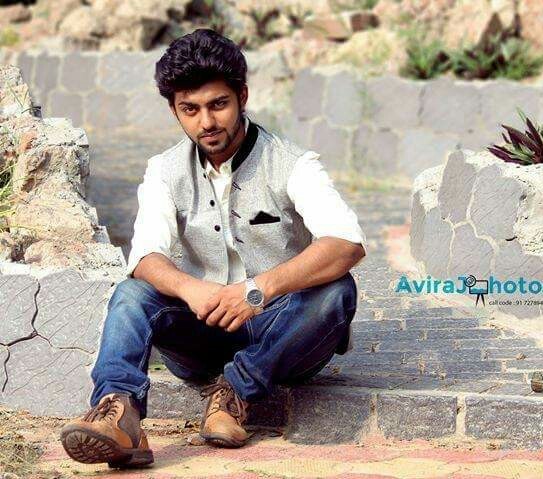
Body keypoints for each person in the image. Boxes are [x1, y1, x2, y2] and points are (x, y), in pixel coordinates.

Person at [59, 28, 367, 469]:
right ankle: (119, 411)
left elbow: (346, 243)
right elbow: (145, 256)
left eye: (218, 104)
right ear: (174, 110)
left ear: (242, 96)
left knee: (336, 291)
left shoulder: (294, 164)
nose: (206, 122)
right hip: (201, 331)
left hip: (281, 332)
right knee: (131, 293)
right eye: (190, 109)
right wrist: (192, 290)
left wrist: (257, 290)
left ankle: (234, 392)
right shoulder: (163, 170)